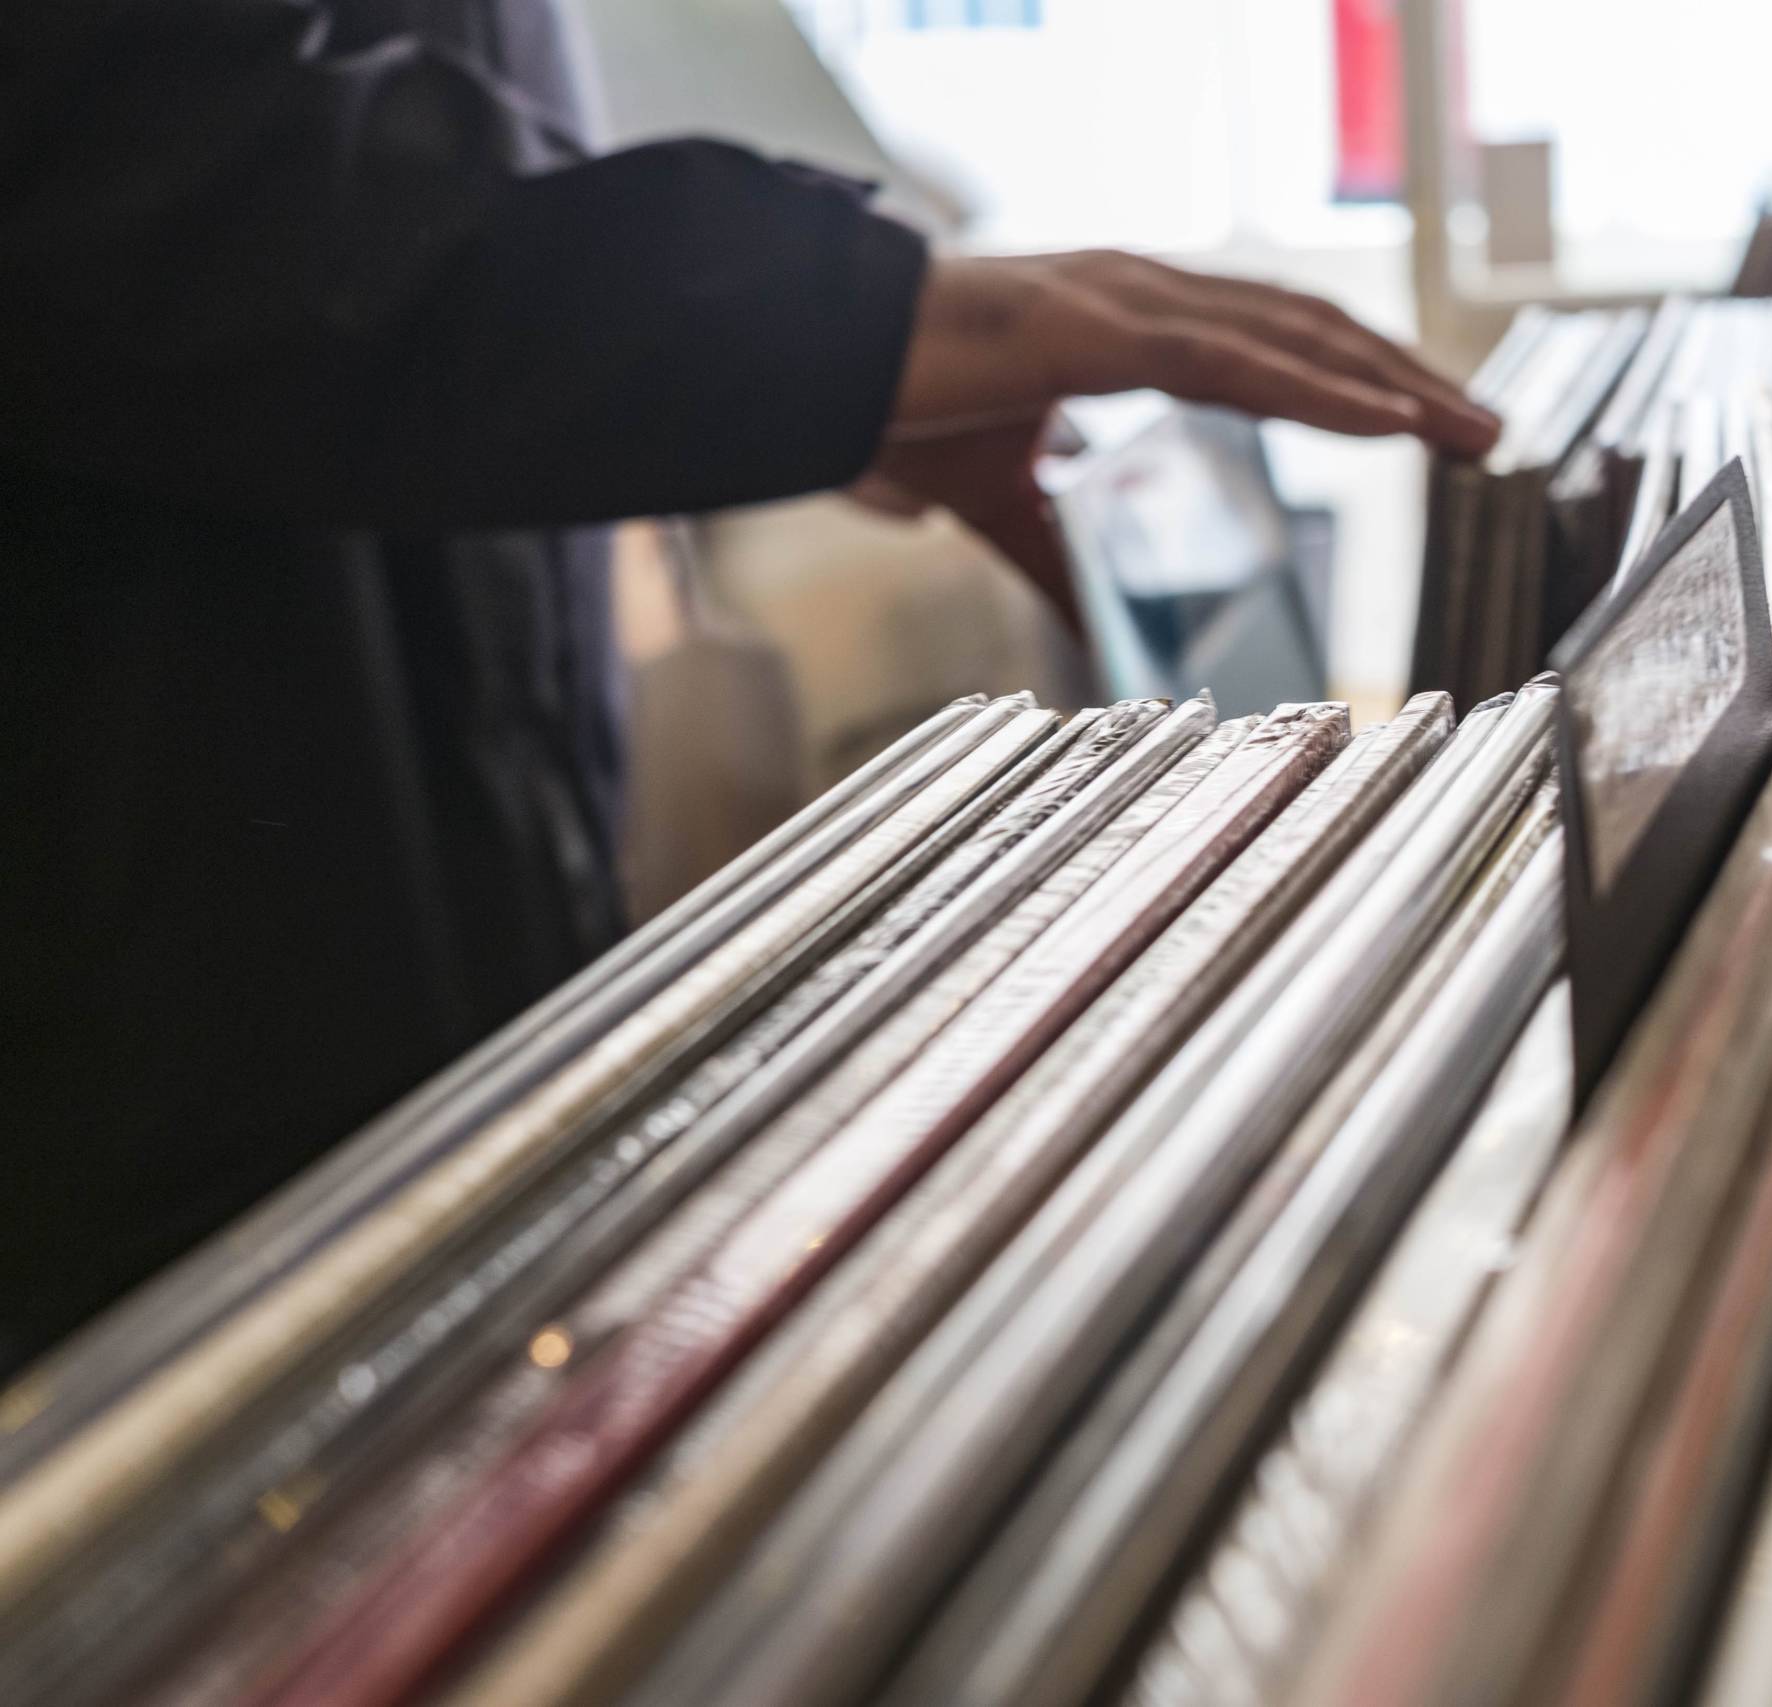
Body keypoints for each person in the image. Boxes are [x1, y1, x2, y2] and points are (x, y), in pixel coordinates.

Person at [0, 0, 1500, 1371]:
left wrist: (766, 385)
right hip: (130, 1039)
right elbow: (112, 161)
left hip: (400, 888)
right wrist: (841, 329)